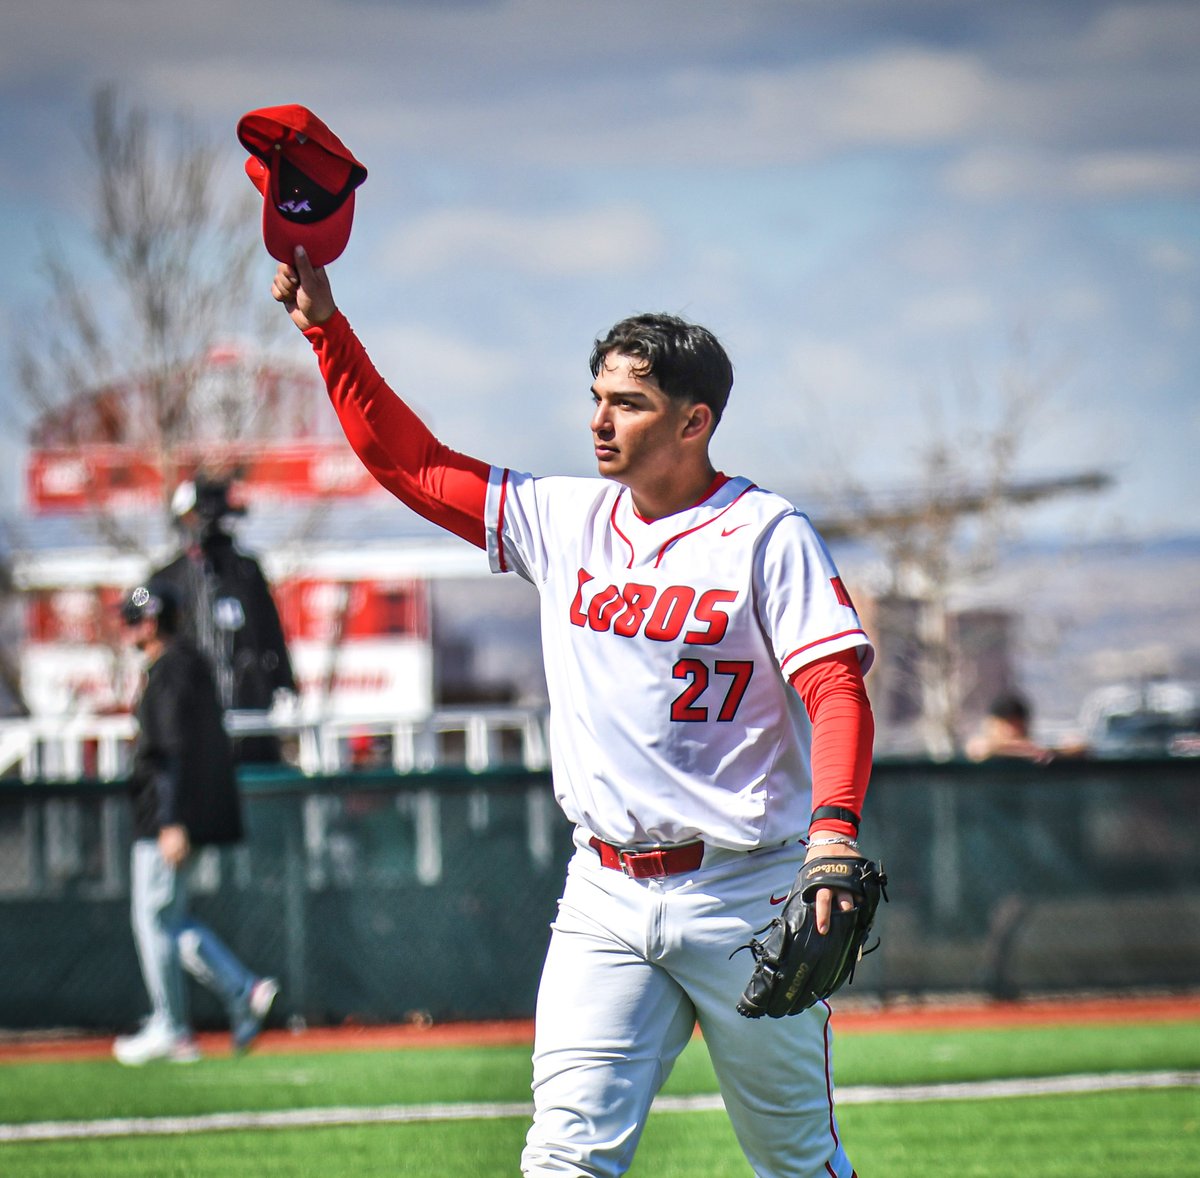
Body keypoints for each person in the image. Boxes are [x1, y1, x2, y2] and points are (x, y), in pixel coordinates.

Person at [272, 245, 876, 1177]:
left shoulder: (765, 533)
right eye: (596, 396)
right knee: (563, 1157)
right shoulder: (566, 518)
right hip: (605, 891)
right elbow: (412, 464)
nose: (599, 420)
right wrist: (326, 330)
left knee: (795, 1161)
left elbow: (836, 690)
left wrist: (832, 833)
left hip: (744, 891)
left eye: (628, 402)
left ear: (694, 420)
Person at [113, 581, 279, 1066]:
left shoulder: (172, 670)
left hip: (166, 819)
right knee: (169, 919)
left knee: (154, 919)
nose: (128, 629)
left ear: (150, 622)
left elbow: (171, 750)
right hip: (176, 815)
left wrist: (170, 820)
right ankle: (241, 990)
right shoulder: (183, 665)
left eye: (133, 619)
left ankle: (173, 1025)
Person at [151, 474, 296, 762]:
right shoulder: (167, 577)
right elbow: (141, 605)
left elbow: (270, 630)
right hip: (192, 715)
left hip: (249, 708)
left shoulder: (247, 572)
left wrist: (284, 681)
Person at [965, 690, 1086, 764]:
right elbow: (979, 748)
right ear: (991, 724)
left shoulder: (1039, 746)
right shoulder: (982, 746)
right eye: (1005, 725)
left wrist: (1052, 752)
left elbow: (1078, 747)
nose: (1011, 731)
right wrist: (1026, 750)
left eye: (1016, 724)